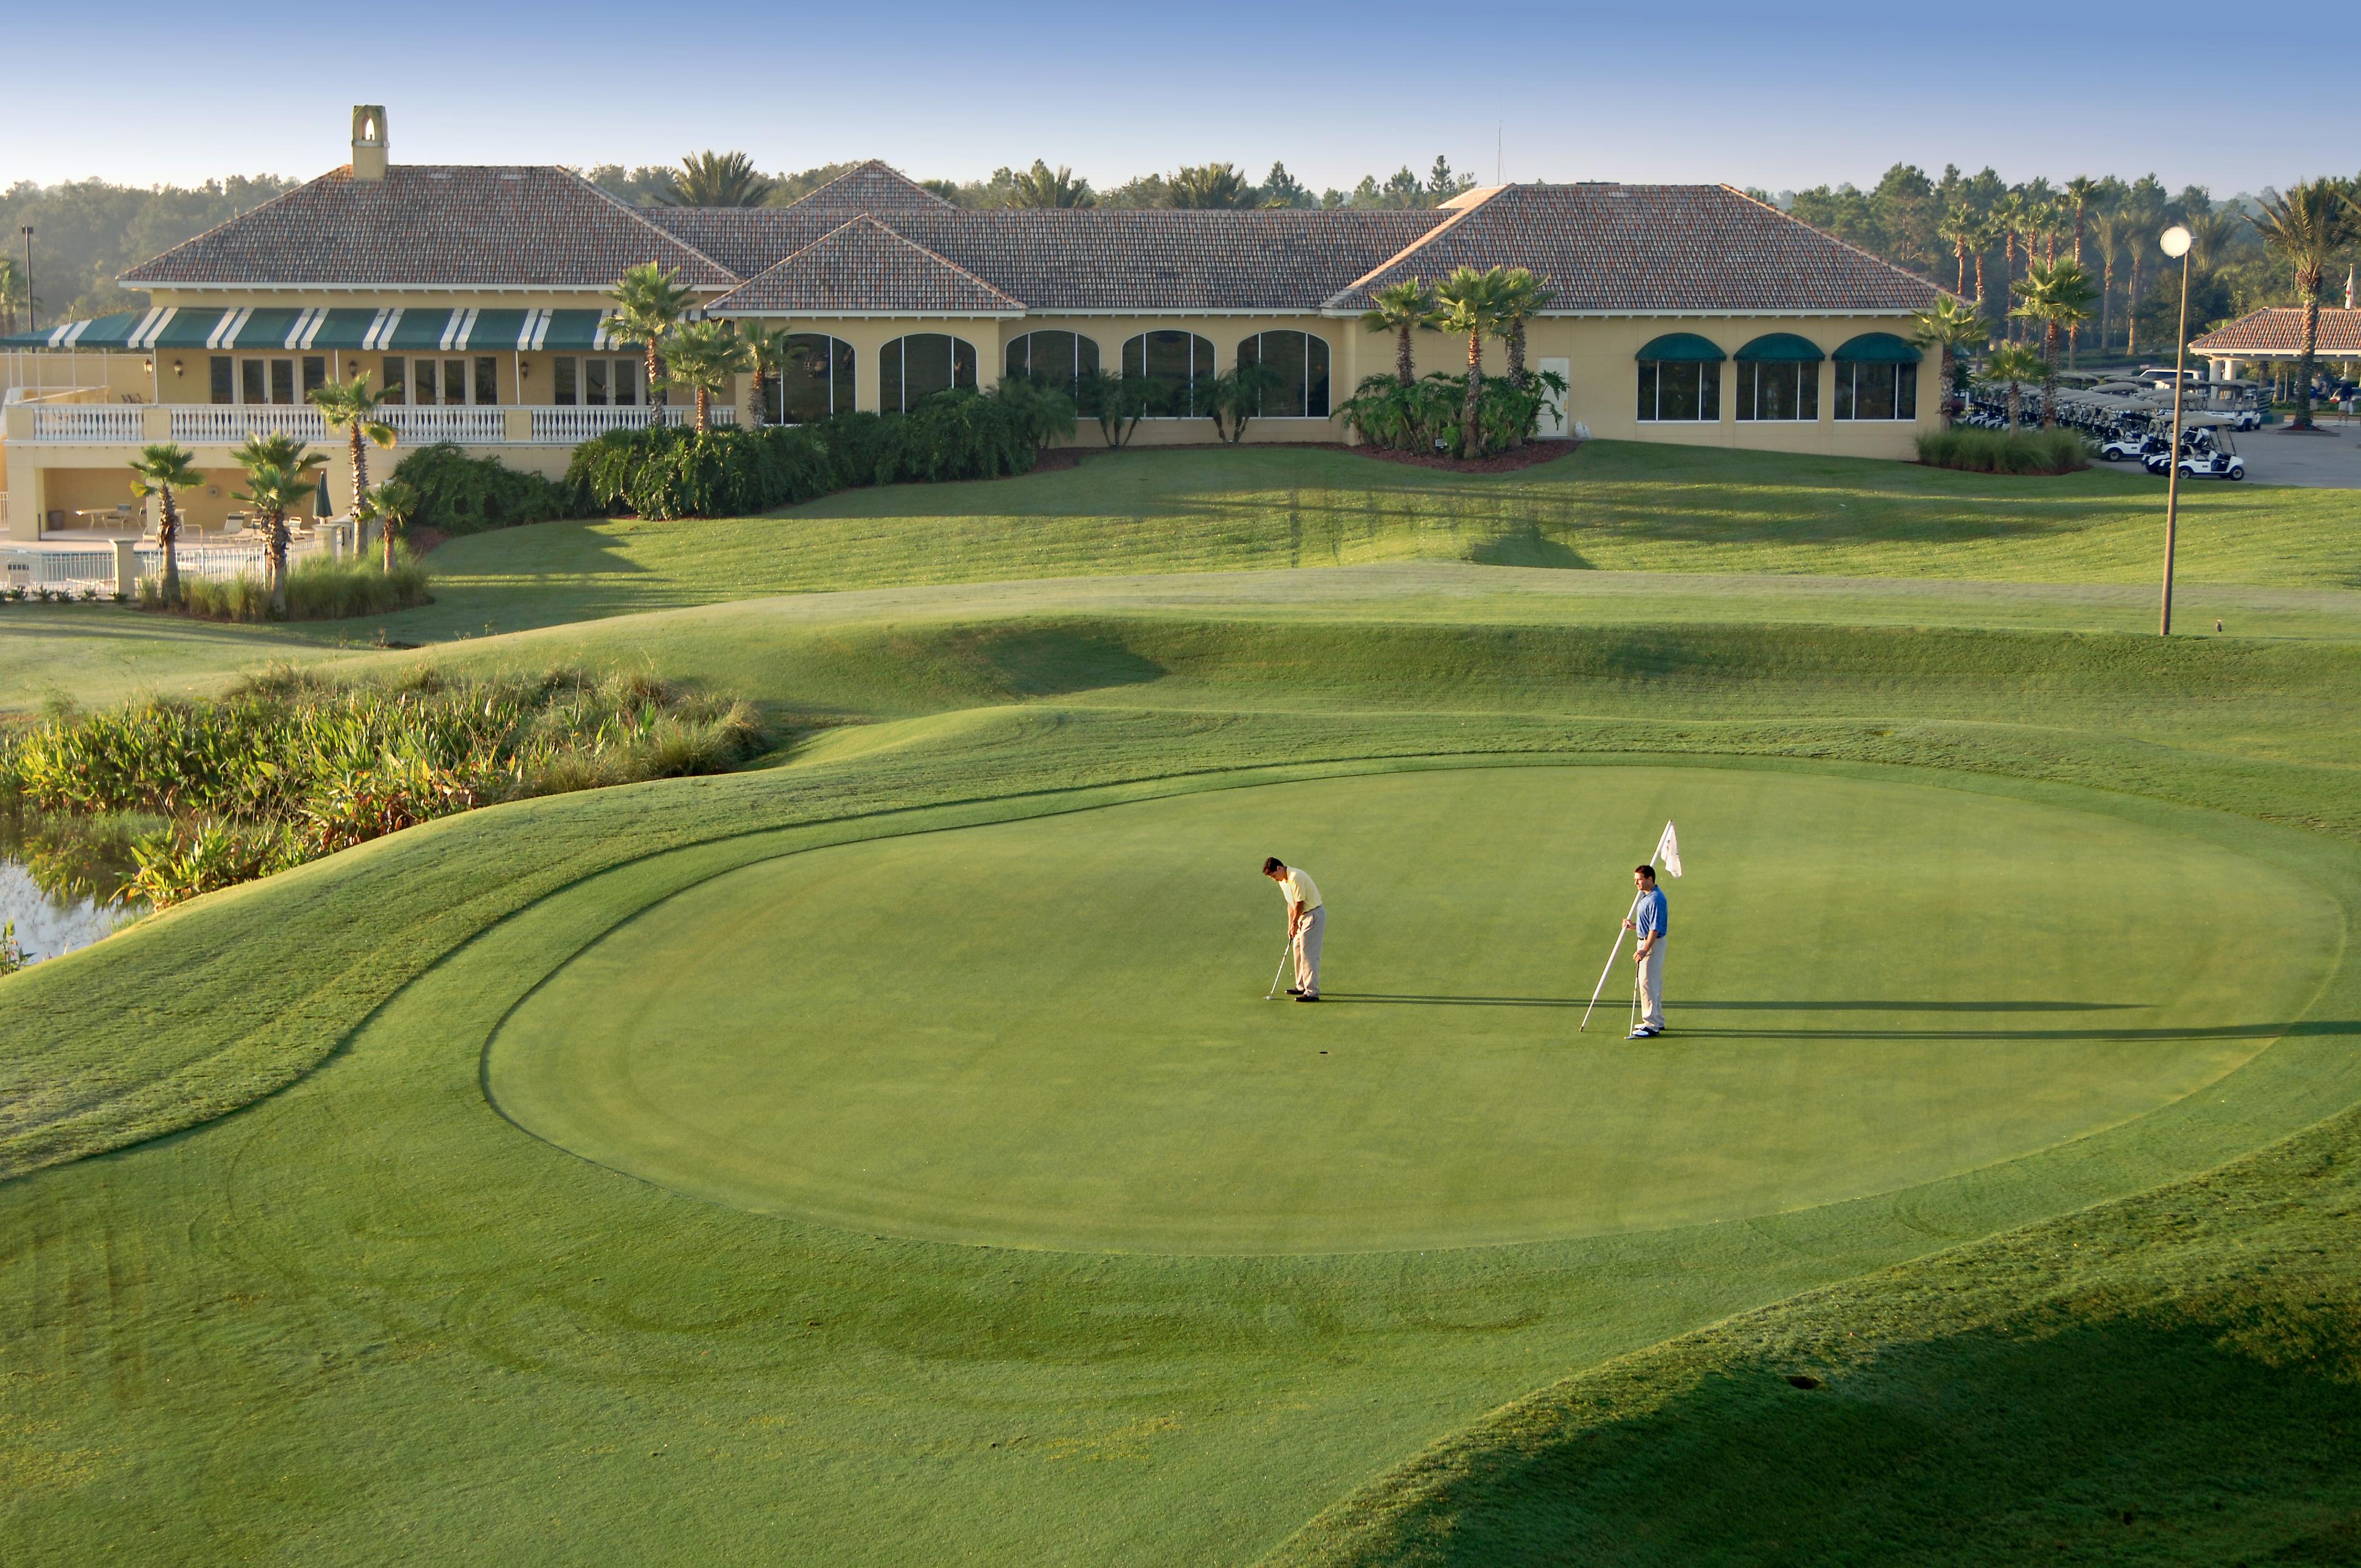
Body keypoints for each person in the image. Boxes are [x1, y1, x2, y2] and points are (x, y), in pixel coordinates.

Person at [1262, 856, 1323, 1002]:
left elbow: (1300, 904)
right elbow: (1291, 904)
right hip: (1300, 917)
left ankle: (1312, 992)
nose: (1274, 879)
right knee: (1297, 949)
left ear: (1279, 868)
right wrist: (1291, 924)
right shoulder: (1283, 881)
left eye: (1274, 875)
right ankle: (1301, 986)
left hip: (1312, 915)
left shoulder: (1295, 876)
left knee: (1309, 954)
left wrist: (1295, 923)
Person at [1623, 863, 1667, 1039]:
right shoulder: (1647, 896)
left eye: (1640, 880)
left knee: (1647, 982)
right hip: (1646, 941)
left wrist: (1644, 950)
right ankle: (1657, 1019)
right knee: (1653, 981)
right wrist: (1633, 926)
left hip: (1651, 944)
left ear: (1650, 879)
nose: (1636, 884)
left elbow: (1654, 930)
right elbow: (1647, 924)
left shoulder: (1656, 899)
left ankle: (1651, 1025)